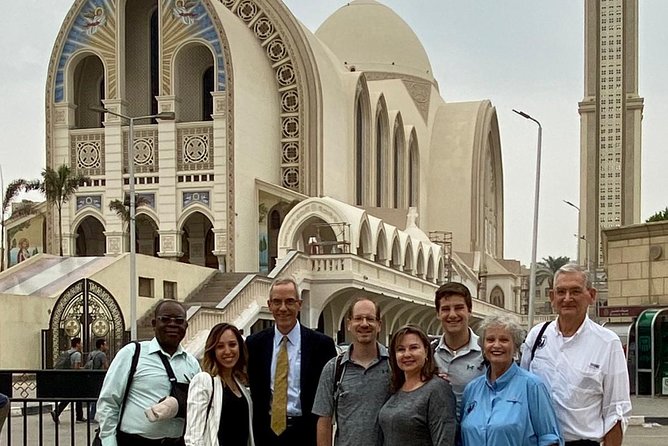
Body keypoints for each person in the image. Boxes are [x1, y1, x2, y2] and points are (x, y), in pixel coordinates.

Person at [521, 264, 631, 446]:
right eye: (561, 292)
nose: (567, 298)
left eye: (575, 291)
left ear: (592, 295)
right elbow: (521, 389)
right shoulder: (537, 336)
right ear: (552, 297)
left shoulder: (608, 343)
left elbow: (616, 411)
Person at [246, 277, 337, 446]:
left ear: (299, 304)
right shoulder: (254, 344)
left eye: (289, 301)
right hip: (265, 433)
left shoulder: (322, 346)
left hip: (307, 433)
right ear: (269, 305)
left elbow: (330, 394)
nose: (283, 308)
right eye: (277, 302)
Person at [97, 300, 201, 446]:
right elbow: (109, 401)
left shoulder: (192, 364)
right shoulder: (132, 353)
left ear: (185, 325)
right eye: (165, 319)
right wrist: (108, 441)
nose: (172, 324)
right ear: (154, 323)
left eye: (178, 321)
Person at [460, 315, 563, 446]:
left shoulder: (532, 386)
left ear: (515, 346)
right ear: (483, 346)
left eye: (504, 340)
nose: (496, 345)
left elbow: (549, 438)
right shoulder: (472, 389)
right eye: (490, 339)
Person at [312, 297, 391, 446]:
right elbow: (324, 420)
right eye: (358, 318)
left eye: (370, 319)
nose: (364, 324)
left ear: (379, 325)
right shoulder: (334, 369)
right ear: (349, 324)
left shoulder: (394, 366)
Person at [378, 325, 457, 446]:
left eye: (414, 348)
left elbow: (444, 440)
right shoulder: (395, 388)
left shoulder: (437, 389)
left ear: (426, 351)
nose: (407, 354)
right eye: (400, 349)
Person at [184, 322, 255, 446]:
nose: (227, 351)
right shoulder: (204, 381)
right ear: (213, 350)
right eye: (220, 346)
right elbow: (193, 436)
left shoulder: (241, 385)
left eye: (232, 345)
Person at [432, 282, 485, 419]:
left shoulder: (486, 353)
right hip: (439, 435)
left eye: (459, 308)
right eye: (445, 309)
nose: (452, 315)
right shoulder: (428, 354)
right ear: (438, 314)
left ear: (470, 311)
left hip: (476, 435)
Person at [51, 337, 86, 423]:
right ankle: (58, 411)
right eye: (81, 343)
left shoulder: (66, 352)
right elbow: (76, 368)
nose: (82, 345)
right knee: (74, 396)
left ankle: (79, 416)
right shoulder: (77, 354)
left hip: (65, 377)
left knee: (75, 396)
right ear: (77, 344)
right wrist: (83, 369)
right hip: (73, 379)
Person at [87, 338, 109, 422]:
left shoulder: (91, 354)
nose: (107, 347)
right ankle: (92, 416)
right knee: (97, 397)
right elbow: (106, 366)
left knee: (93, 396)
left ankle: (91, 415)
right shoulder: (102, 355)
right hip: (99, 377)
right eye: (105, 345)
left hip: (91, 376)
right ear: (101, 345)